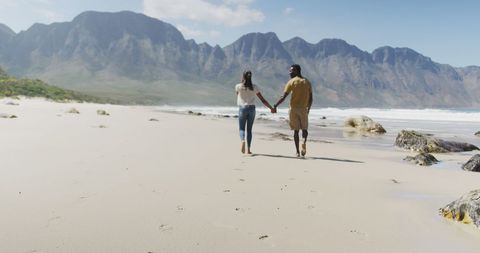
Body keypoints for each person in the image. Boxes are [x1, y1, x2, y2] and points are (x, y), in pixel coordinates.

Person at [272, 64, 313, 157]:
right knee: (305, 129)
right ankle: (304, 142)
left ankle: (297, 152)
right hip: (303, 109)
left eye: (291, 71)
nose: (289, 73)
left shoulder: (292, 82)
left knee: (296, 131)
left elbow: (284, 96)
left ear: (297, 71)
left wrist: (275, 105)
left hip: (293, 109)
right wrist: (309, 108)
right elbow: (311, 98)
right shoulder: (307, 82)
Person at [235, 70, 273, 154]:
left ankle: (242, 141)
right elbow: (262, 100)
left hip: (242, 108)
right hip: (252, 109)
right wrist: (271, 108)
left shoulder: (238, 86)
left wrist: (242, 82)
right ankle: (248, 149)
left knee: (241, 128)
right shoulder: (255, 87)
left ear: (243, 77)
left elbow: (237, 95)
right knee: (249, 130)